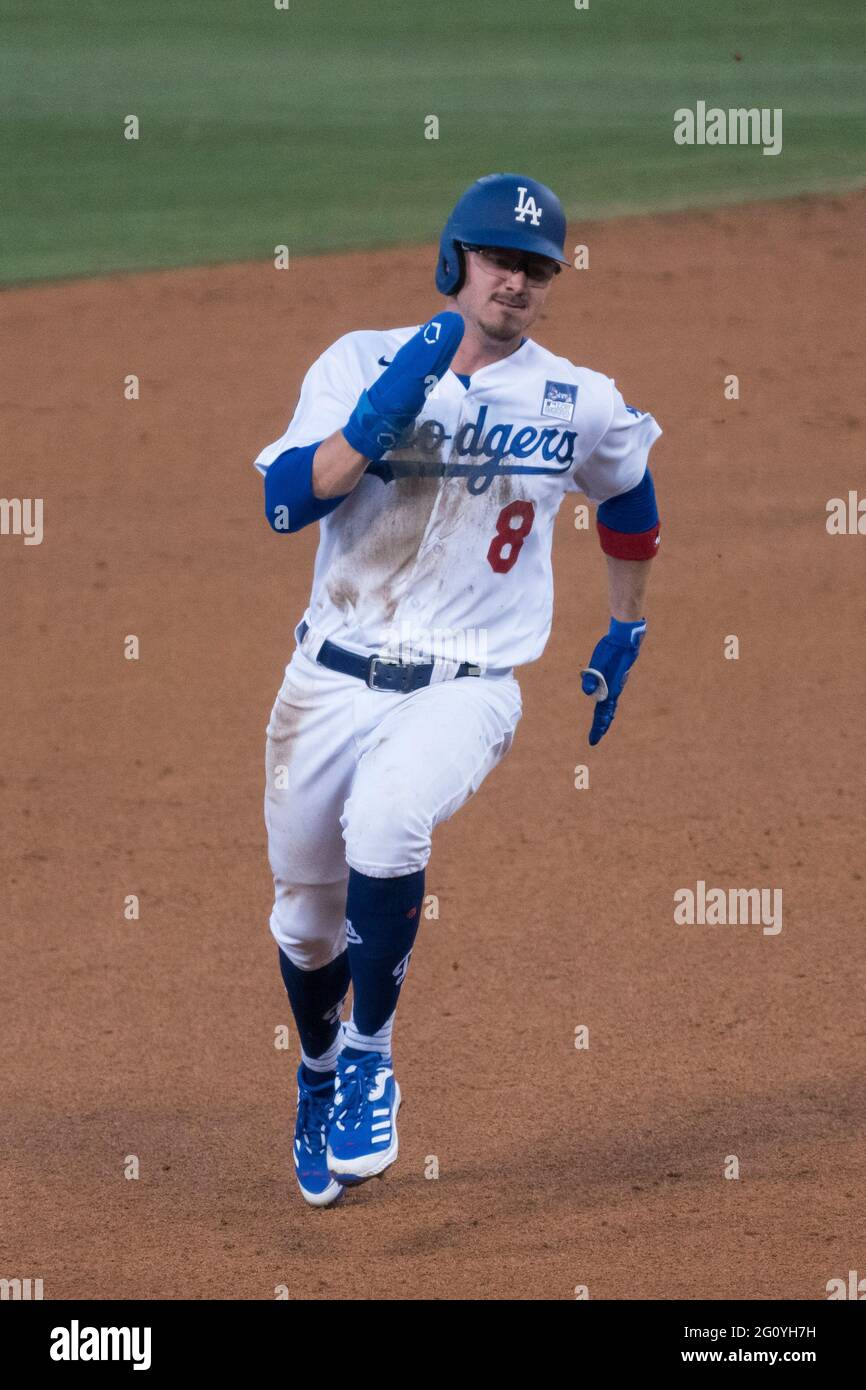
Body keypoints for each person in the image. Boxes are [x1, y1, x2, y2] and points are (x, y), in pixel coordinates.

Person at [253, 173, 662, 1206]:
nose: (515, 284)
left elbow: (628, 491)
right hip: (328, 682)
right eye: (497, 261)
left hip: (469, 685)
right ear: (453, 263)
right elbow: (284, 502)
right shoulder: (357, 360)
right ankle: (314, 1074)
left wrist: (626, 619)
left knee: (388, 827)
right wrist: (379, 415)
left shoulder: (576, 398)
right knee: (304, 924)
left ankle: (367, 1057)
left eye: (534, 270)